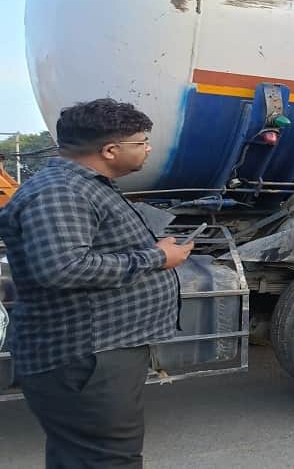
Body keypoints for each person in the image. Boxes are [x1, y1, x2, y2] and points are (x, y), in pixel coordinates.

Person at [0, 99, 194, 468]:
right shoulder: (62, 191)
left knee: (81, 458)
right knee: (107, 460)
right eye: (141, 142)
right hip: (85, 355)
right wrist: (158, 258)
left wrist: (151, 250)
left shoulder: (81, 185)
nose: (148, 149)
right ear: (109, 150)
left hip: (94, 351)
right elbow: (63, 268)